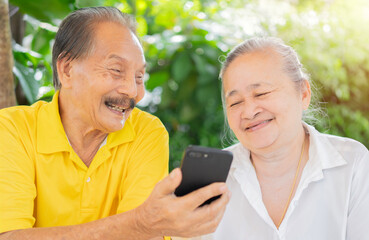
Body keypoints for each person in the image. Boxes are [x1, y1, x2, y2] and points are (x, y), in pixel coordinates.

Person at [0, 7, 230, 240]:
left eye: (139, 77)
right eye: (116, 70)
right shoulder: (13, 129)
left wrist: (142, 226)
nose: (132, 91)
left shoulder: (146, 132)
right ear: (67, 70)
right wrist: (142, 223)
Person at [200, 37, 369, 240]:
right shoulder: (209, 179)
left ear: (303, 94)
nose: (249, 111)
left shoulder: (353, 165)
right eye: (235, 102)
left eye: (261, 93)